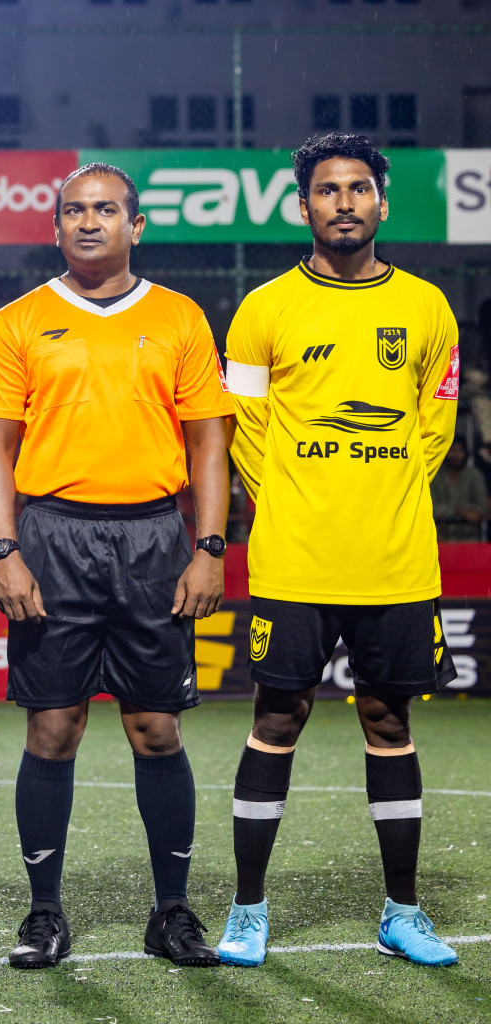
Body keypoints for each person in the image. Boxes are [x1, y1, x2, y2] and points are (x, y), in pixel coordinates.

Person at [0, 163, 232, 970]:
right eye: (74, 211)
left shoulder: (181, 317)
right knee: (54, 728)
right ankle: (45, 914)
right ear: (55, 229)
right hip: (52, 537)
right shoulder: (19, 320)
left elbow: (209, 440)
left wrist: (211, 546)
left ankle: (173, 912)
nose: (90, 222)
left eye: (106, 209)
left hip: (154, 539)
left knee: (157, 728)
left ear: (136, 224)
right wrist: (4, 551)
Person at [220, 132, 460, 968]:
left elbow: (435, 428)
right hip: (294, 557)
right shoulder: (262, 311)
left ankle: (402, 911)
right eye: (328, 190)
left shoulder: (428, 308)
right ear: (304, 206)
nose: (344, 202)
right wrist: (293, 498)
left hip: (394, 560)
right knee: (275, 719)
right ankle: (248, 910)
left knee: (388, 721)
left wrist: (380, 491)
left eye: (359, 188)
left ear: (382, 203)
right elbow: (243, 433)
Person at [430, 440, 487, 542]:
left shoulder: (474, 475)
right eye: (452, 451)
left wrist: (474, 513)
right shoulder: (436, 475)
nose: (455, 455)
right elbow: (429, 505)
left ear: (465, 453)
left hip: (468, 537)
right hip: (441, 537)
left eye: (459, 451)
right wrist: (459, 511)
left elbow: (483, 505)